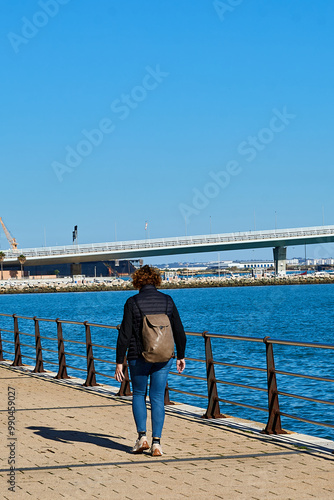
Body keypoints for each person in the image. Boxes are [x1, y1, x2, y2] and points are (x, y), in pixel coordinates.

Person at [115, 265, 186, 456]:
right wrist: (180, 355)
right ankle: (157, 443)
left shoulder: (132, 302)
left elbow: (124, 334)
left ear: (137, 281)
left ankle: (142, 438)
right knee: (157, 398)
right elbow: (179, 331)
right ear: (156, 280)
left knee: (138, 394)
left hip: (138, 356)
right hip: (164, 357)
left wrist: (119, 361)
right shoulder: (167, 301)